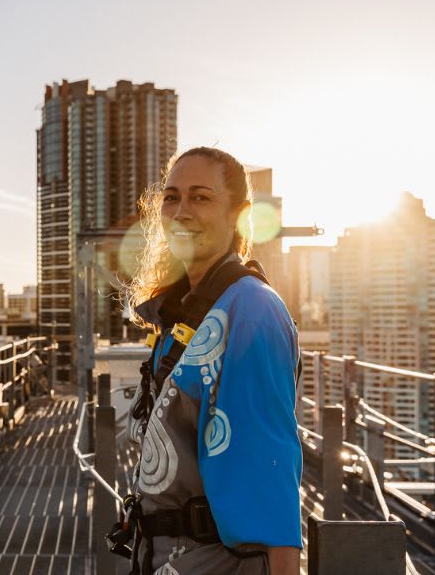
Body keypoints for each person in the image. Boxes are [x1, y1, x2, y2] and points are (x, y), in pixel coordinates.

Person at [120, 147, 302, 575]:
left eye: (200, 197)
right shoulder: (184, 311)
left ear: (238, 215)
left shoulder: (250, 310)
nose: (181, 211)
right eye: (171, 197)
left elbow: (269, 466)